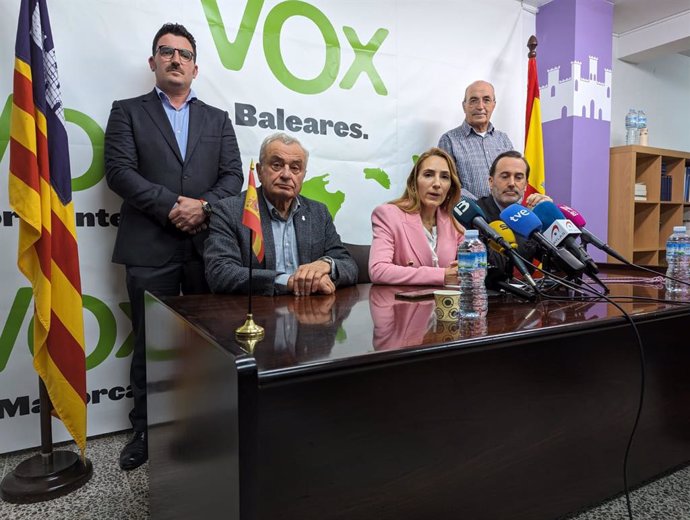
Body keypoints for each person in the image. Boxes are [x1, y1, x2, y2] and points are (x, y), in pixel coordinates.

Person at [105, 23, 243, 471]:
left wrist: (202, 207)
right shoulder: (127, 111)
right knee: (151, 344)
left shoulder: (218, 120)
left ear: (196, 67)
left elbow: (232, 179)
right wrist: (172, 207)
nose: (175, 59)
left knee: (211, 345)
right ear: (153, 62)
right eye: (166, 51)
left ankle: (209, 424)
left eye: (183, 53)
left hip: (208, 248)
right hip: (149, 246)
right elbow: (120, 172)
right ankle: (144, 429)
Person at [205, 132, 358, 295]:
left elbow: (349, 266)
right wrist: (288, 281)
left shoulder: (318, 213)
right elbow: (220, 273)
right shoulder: (229, 211)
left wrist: (326, 265)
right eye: (277, 165)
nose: (286, 175)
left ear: (303, 176)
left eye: (295, 168)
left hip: (310, 314)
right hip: (258, 312)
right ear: (259, 171)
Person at [369, 147, 464, 286]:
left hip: (445, 305)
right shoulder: (388, 215)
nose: (437, 184)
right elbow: (378, 270)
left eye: (444, 177)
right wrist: (441, 275)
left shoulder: (454, 222)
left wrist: (467, 269)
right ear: (414, 183)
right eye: (428, 175)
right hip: (403, 305)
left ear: (451, 186)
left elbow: (472, 269)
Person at [476, 150, 551, 272]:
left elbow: (554, 263)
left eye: (518, 177)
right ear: (491, 182)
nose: (511, 183)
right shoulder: (476, 215)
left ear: (526, 185)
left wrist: (550, 221)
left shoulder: (528, 218)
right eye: (505, 176)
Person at [438, 80, 513, 200]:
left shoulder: (503, 139)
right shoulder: (449, 140)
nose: (480, 106)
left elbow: (514, 179)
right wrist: (481, 208)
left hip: (506, 214)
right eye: (473, 100)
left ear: (493, 105)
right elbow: (448, 184)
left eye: (486, 100)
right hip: (470, 216)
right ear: (464, 106)